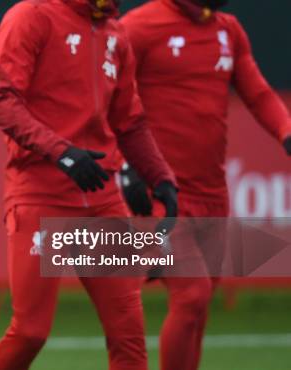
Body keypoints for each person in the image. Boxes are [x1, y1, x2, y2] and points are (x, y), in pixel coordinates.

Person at [0, 1, 178, 369]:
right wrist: (62, 153)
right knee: (30, 332)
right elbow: (2, 100)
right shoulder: (32, 15)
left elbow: (130, 121)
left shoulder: (114, 31)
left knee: (128, 335)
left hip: (101, 199)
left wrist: (162, 179)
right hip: (40, 193)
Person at [120, 1, 291, 369]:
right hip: (160, 193)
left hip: (213, 191)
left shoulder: (228, 30)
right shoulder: (139, 26)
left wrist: (286, 132)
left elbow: (258, 93)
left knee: (201, 304)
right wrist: (125, 165)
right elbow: (107, 96)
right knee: (191, 296)